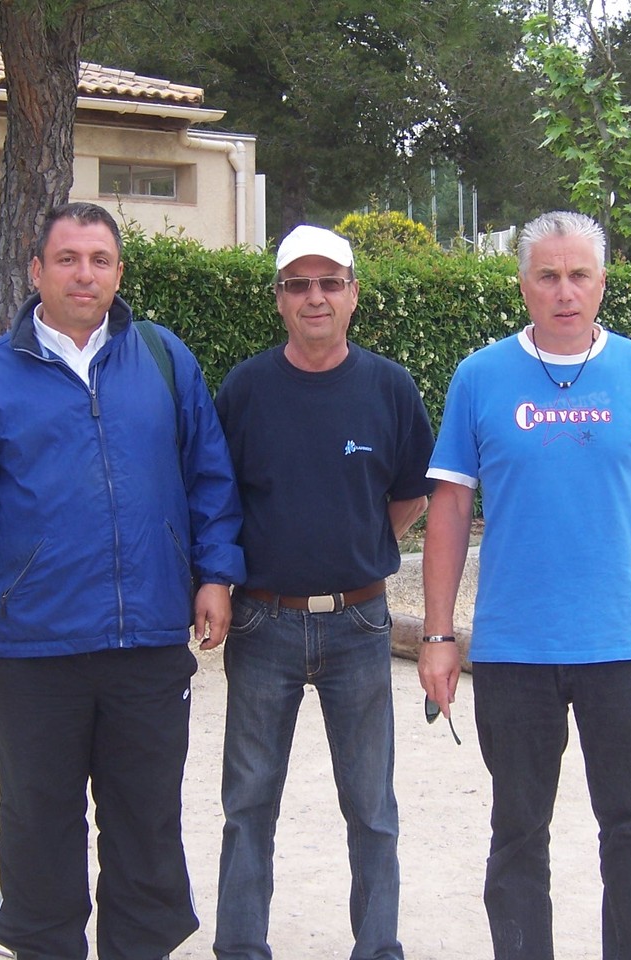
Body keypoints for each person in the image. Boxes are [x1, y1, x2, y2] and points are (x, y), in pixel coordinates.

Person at [0, 201, 245, 960]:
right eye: (67, 259)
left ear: (119, 272)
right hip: (37, 643)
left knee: (145, 815)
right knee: (38, 816)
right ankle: (41, 943)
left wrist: (216, 573)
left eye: (100, 260)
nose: (84, 273)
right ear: (35, 271)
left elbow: (209, 477)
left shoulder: (165, 359)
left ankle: (141, 947)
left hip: (150, 638)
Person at [417, 210, 631, 960]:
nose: (564, 291)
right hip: (516, 650)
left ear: (602, 283)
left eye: (579, 275)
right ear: (523, 284)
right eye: (548, 276)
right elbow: (451, 507)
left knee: (630, 825)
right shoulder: (480, 376)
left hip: (618, 643)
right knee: (518, 829)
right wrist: (438, 635)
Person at [212, 224, 434, 960]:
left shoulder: (389, 388)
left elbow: (408, 497)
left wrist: (355, 551)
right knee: (248, 806)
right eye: (298, 285)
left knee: (372, 809)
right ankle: (240, 950)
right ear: (279, 299)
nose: (315, 297)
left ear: (353, 295)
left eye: (329, 283)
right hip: (261, 626)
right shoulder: (244, 390)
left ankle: (378, 950)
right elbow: (217, 500)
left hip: (359, 625)